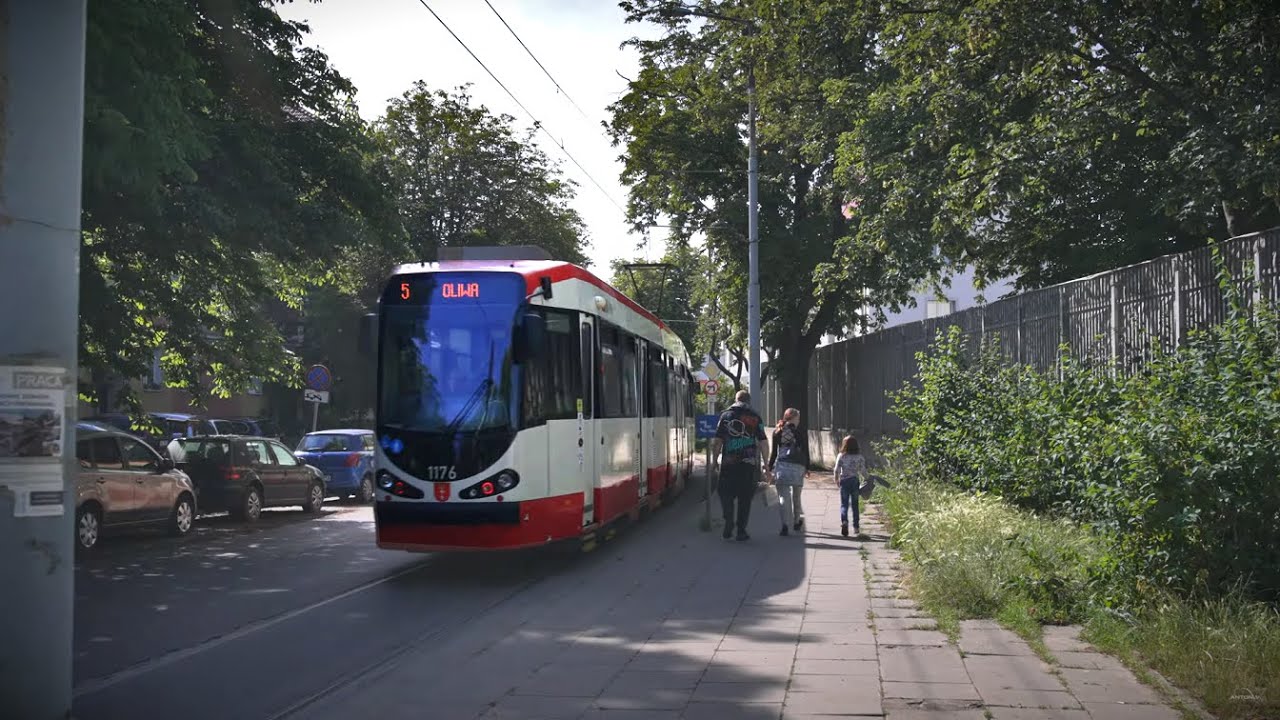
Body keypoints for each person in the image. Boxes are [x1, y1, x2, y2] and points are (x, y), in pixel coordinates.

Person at [711, 389, 769, 541]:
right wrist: (766, 464)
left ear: (736, 400)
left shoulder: (725, 416)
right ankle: (741, 531)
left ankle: (728, 520)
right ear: (749, 401)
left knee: (724, 493)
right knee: (745, 498)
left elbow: (717, 441)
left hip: (728, 465)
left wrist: (714, 461)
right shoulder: (755, 417)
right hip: (748, 465)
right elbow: (763, 442)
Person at [766, 407, 809, 536]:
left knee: (783, 497)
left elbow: (774, 453)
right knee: (796, 496)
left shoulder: (777, 431)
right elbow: (805, 451)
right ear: (794, 418)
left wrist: (769, 468)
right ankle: (796, 522)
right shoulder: (801, 432)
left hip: (782, 467)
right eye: (798, 418)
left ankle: (784, 525)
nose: (799, 421)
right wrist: (807, 468)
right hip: (798, 467)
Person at [833, 435, 867, 537]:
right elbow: (863, 471)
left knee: (844, 504)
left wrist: (836, 479)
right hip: (855, 481)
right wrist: (867, 478)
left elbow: (836, 469)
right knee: (855, 504)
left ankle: (844, 521)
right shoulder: (859, 457)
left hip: (844, 481)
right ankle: (856, 527)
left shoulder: (841, 456)